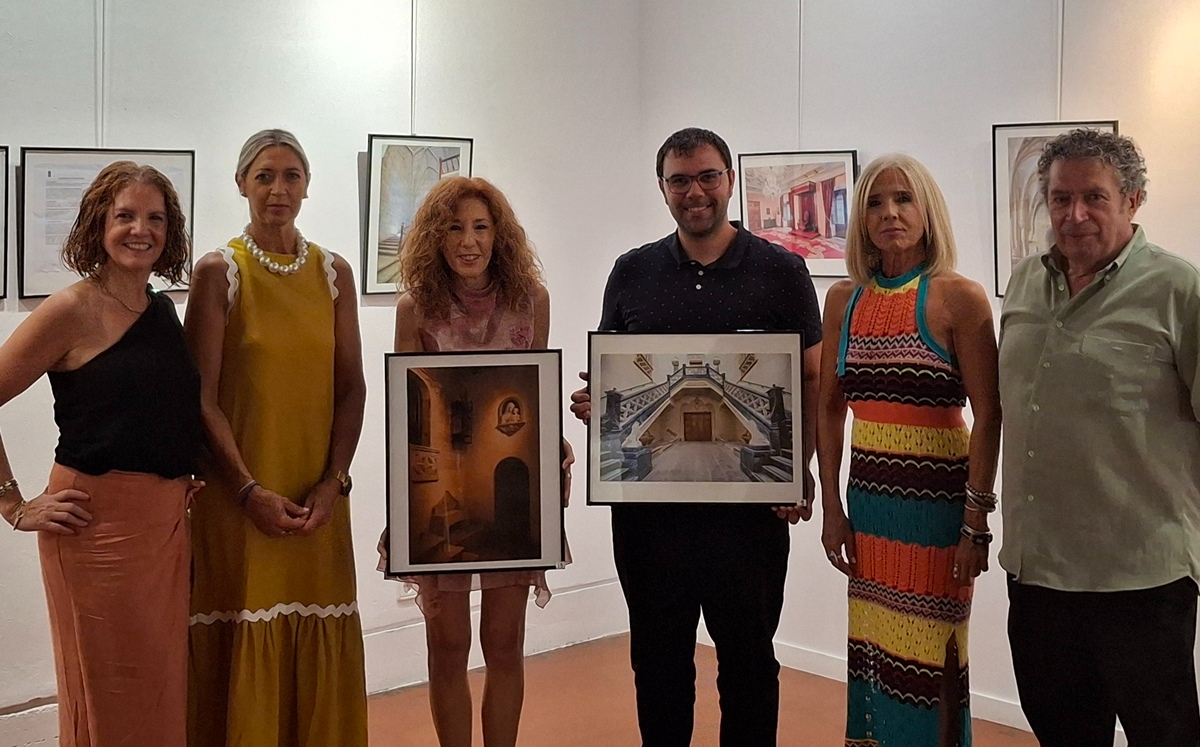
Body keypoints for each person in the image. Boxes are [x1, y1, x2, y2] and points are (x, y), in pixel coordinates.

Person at [569, 127, 823, 746]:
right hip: (649, 520)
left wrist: (800, 468)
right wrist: (597, 410)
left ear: (729, 180)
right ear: (662, 188)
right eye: (679, 180)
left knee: (750, 666)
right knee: (656, 668)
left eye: (708, 176)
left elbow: (813, 382)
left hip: (750, 520)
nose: (695, 192)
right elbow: (620, 381)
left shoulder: (782, 271)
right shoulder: (631, 272)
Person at [999, 128, 1200, 745]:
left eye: (1095, 198)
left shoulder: (1178, 292)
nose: (1074, 215)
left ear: (1133, 201)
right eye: (1060, 198)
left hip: (1139, 579)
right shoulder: (1025, 282)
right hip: (1038, 578)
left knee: (1162, 734)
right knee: (1062, 734)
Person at [0, 161, 202, 746]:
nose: (141, 229)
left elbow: (161, 409)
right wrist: (13, 505)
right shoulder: (71, 310)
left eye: (156, 218)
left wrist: (179, 470)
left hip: (163, 530)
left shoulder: (161, 310)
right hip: (94, 530)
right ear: (99, 224)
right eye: (126, 216)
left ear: (171, 232)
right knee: (111, 697)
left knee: (161, 690)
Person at [185, 129, 368, 746]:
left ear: (308, 186)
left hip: (317, 503)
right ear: (241, 184)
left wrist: (333, 484)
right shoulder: (219, 272)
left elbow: (353, 388)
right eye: (264, 176)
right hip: (238, 502)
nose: (278, 189)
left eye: (291, 176)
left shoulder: (333, 272)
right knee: (241, 634)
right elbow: (201, 398)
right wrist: (245, 490)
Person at [816, 154, 1000, 746]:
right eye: (874, 201)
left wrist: (975, 522)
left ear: (927, 211)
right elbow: (828, 408)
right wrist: (832, 510)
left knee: (934, 660)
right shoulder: (844, 300)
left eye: (903, 199)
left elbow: (990, 413)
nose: (890, 213)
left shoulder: (958, 298)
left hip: (940, 512)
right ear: (860, 218)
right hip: (869, 507)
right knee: (874, 654)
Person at [383, 175, 560, 747]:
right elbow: (405, 414)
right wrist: (402, 504)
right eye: (455, 227)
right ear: (434, 237)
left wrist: (551, 437)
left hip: (514, 494)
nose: (468, 240)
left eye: (481, 227)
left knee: (505, 643)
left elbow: (538, 398)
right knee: (448, 647)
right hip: (437, 494)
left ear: (499, 235)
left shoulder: (531, 300)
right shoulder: (416, 309)